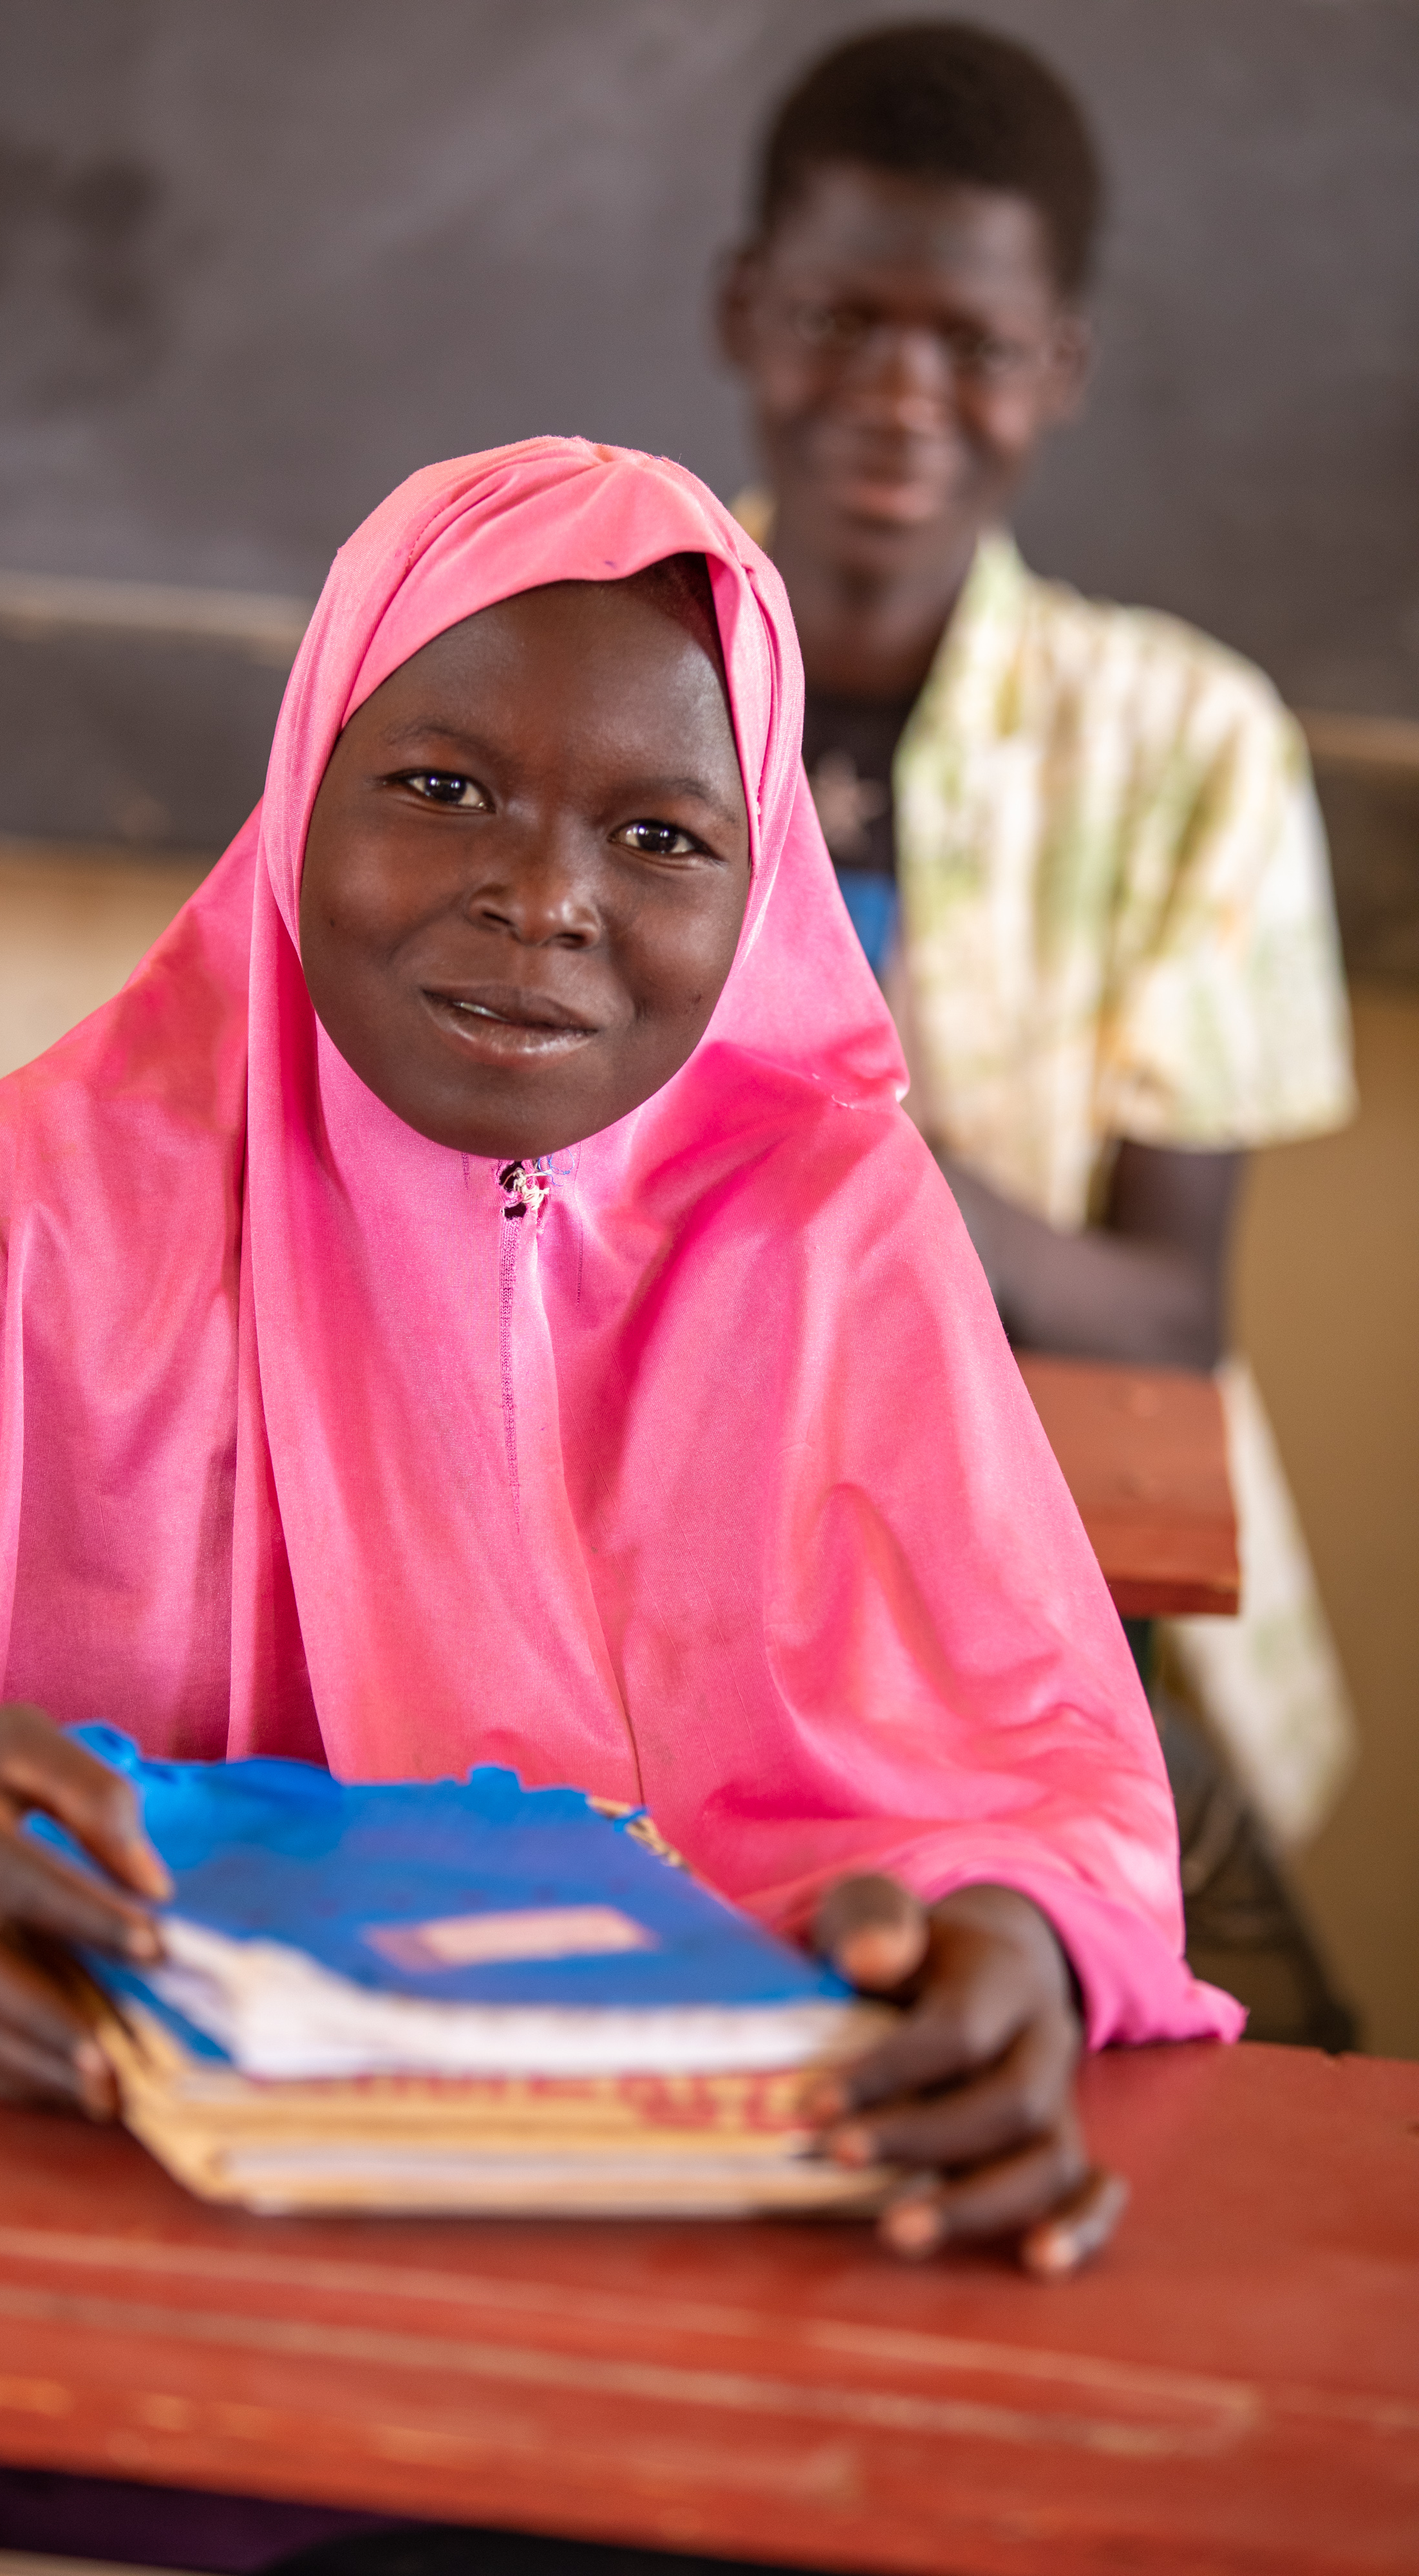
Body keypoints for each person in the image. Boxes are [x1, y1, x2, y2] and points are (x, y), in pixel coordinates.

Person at [0, 438, 1234, 2559]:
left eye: (661, 832)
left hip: (655, 2321)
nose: (546, 895)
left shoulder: (827, 1226)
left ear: (761, 876)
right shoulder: (85, 1170)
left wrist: (1016, 1950)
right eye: (440, 786)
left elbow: (1039, 1768)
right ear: (299, 781)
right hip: (114, 2289)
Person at [718, 21, 1358, 2046]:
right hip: (682, 1535)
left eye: (973, 344)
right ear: (746, 312)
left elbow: (1163, 1316)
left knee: (1206, 2093)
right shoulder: (593, 664)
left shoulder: (1186, 747)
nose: (902, 396)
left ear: (1057, 367)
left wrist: (813, 1114)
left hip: (1061, 1588)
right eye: (842, 318)